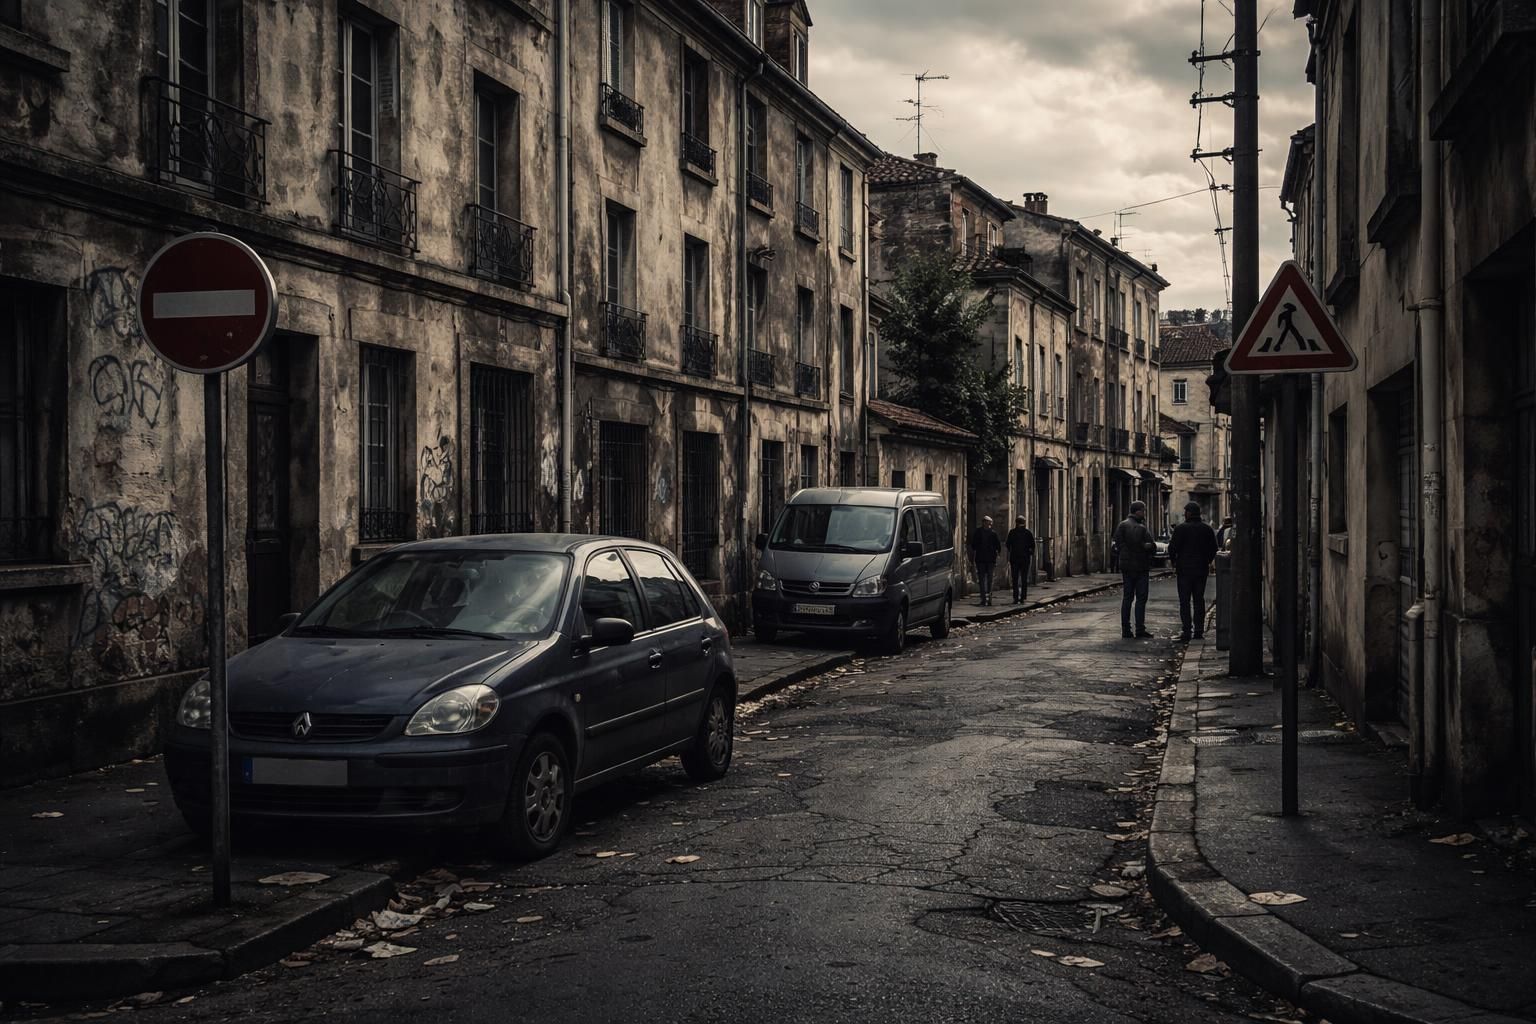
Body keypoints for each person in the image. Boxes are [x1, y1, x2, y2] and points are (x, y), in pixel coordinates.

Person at [1168, 501, 1219, 642]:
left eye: (1185, 512)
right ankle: (1198, 631)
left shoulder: (1181, 529)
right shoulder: (1207, 529)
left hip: (1184, 569)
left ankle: (1186, 631)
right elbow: (1214, 548)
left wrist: (1174, 562)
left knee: (1184, 601)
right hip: (1201, 569)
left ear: (1189, 513)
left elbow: (1172, 548)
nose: (1184, 514)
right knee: (1199, 600)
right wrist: (1207, 561)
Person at [1111, 500, 1156, 638]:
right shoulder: (1141, 528)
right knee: (1141, 598)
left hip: (1126, 566)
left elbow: (1117, 544)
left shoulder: (1122, 525)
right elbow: (1151, 546)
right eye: (1143, 510)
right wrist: (1148, 548)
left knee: (1127, 598)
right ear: (1138, 511)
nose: (1145, 513)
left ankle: (1126, 629)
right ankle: (1140, 629)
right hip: (1141, 566)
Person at [968, 515, 1002, 607]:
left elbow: (998, 546)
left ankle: (987, 598)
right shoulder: (982, 533)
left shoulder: (991, 533)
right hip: (983, 559)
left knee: (987, 579)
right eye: (988, 523)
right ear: (984, 523)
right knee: (984, 580)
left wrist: (997, 553)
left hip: (987, 559)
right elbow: (974, 545)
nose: (989, 525)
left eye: (989, 523)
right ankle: (984, 598)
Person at [1005, 516, 1036, 604]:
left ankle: (1016, 597)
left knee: (1016, 578)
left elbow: (1008, 545)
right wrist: (1029, 552)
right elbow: (1032, 546)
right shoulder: (1027, 533)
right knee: (1023, 579)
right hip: (1024, 558)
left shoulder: (1012, 532)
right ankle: (1022, 597)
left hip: (1015, 558)